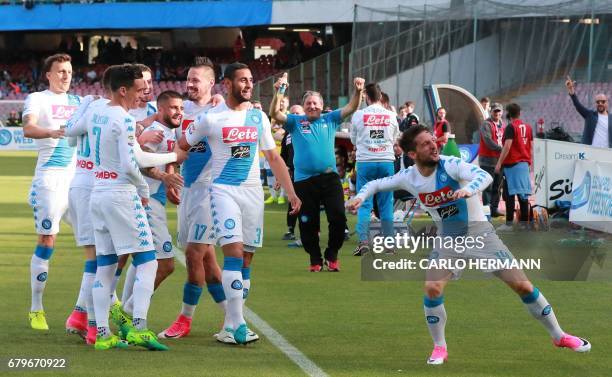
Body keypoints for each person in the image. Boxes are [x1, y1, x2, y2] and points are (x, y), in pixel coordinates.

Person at [347, 124, 591, 365]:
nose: (434, 145)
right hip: (448, 238)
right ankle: (440, 347)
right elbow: (377, 184)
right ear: (412, 154)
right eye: (425, 144)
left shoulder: (450, 164)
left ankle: (559, 336)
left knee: (523, 286)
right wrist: (360, 196)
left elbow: (482, 176)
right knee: (432, 287)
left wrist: (469, 190)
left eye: (433, 140)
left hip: (481, 234)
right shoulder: (408, 177)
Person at [178, 62, 301, 344]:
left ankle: (231, 326)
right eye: (242, 80)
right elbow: (183, 144)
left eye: (250, 80)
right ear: (228, 84)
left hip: (253, 193)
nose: (248, 84)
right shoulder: (210, 118)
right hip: (223, 191)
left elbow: (274, 158)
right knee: (232, 254)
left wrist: (292, 193)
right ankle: (238, 324)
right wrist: (169, 172)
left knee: (246, 260)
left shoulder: (258, 118)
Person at [82, 64, 185, 350]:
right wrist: (142, 189)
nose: (142, 95)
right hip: (121, 194)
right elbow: (131, 164)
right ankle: (139, 326)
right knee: (148, 261)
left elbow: (134, 152)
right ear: (123, 90)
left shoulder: (97, 112)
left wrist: (167, 155)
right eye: (138, 90)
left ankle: (102, 334)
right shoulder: (124, 119)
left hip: (98, 193)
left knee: (105, 266)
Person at [159, 57, 229, 342]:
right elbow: (176, 145)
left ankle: (184, 319)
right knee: (209, 263)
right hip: (188, 190)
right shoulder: (182, 109)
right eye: (188, 79)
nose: (190, 84)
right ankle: (233, 317)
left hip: (211, 190)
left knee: (192, 255)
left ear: (211, 83)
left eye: (196, 79)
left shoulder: (223, 110)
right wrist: (170, 177)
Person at [270, 72, 365, 272]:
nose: (312, 106)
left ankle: (332, 254)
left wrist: (358, 91)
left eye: (315, 103)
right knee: (307, 223)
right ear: (304, 107)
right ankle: (314, 257)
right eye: (308, 104)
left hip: (330, 179)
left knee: (338, 217)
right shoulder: (295, 122)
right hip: (304, 181)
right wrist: (279, 91)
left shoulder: (330, 119)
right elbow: (276, 114)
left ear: (321, 106)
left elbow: (351, 107)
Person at [23, 53, 81, 331]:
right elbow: (28, 128)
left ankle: (90, 310)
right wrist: (53, 132)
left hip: (78, 181)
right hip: (50, 181)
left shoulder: (79, 102)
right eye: (60, 71)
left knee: (96, 242)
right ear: (48, 74)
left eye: (68, 71)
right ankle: (36, 308)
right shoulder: (38, 99)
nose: (65, 76)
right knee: (47, 240)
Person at [118, 90, 185, 323]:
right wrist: (165, 178)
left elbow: (168, 159)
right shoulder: (154, 132)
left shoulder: (170, 132)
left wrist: (169, 178)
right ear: (162, 109)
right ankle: (128, 310)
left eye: (181, 108)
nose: (179, 112)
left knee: (141, 261)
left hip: (153, 200)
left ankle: (124, 313)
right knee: (165, 264)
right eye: (174, 108)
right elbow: (143, 162)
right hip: (146, 202)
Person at [63, 65, 114, 345]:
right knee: (101, 260)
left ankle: (81, 316)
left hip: (82, 184)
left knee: (99, 259)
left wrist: (82, 105)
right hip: (93, 186)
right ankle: (94, 327)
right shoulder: (106, 110)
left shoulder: (88, 105)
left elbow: (70, 137)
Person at [350, 82, 399, 256]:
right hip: (386, 161)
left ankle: (364, 241)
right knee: (386, 204)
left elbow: (353, 140)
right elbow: (394, 139)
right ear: (380, 97)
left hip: (366, 162)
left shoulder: (358, 115)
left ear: (367, 97)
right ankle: (389, 245)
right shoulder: (391, 115)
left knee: (364, 203)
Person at [495, 103, 533, 231]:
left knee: (509, 195)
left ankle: (509, 224)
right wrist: (529, 162)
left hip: (512, 165)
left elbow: (507, 146)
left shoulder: (511, 127)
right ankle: (524, 223)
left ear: (508, 114)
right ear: (519, 113)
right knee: (523, 195)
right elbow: (531, 146)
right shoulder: (528, 127)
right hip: (524, 164)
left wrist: (499, 162)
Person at [280, 104, 305, 241]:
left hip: (308, 172)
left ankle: (343, 229)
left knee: (311, 202)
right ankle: (290, 229)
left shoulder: (309, 129)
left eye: (298, 113)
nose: (295, 115)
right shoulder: (288, 133)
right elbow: (283, 156)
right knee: (293, 200)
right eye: (293, 113)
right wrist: (279, 177)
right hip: (292, 173)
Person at [565, 76, 611, 148]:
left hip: (607, 153)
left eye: (603, 101)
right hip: (590, 152)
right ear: (595, 103)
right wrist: (571, 91)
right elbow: (578, 105)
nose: (600, 103)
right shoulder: (590, 115)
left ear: (607, 103)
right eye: (598, 102)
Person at [479, 102, 505, 217]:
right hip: (487, 161)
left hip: (499, 161)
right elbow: (488, 141)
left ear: (502, 112)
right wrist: (502, 149)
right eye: (495, 111)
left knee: (498, 187)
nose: (497, 113)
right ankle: (487, 211)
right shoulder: (486, 124)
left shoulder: (502, 124)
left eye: (499, 111)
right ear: (491, 112)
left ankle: (494, 209)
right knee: (488, 187)